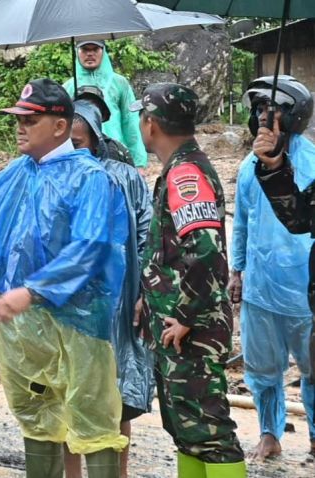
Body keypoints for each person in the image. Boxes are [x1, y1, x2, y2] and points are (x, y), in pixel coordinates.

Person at [0, 78, 130, 478]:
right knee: (35, 412)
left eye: (30, 120)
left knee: (92, 416)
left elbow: (91, 247)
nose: (20, 127)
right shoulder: (13, 176)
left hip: (79, 322)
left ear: (59, 126)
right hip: (22, 325)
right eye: (17, 119)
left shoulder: (90, 178)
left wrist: (32, 291)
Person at [131, 83, 246, 477]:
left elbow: (205, 251)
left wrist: (184, 315)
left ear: (151, 123)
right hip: (178, 327)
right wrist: (149, 297)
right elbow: (173, 252)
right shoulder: (179, 167)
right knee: (188, 430)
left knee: (211, 433)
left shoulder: (186, 173)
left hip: (193, 329)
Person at [67, 99, 153, 478]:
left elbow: (147, 233)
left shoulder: (123, 176)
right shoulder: (51, 176)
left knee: (116, 392)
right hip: (67, 303)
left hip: (115, 300)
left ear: (96, 140)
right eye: (67, 142)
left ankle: (118, 473)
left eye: (80, 142)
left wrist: (143, 292)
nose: (74, 150)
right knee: (67, 392)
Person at [248, 75, 315, 458]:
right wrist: (272, 162)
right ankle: (270, 433)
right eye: (259, 110)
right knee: (264, 369)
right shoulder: (250, 167)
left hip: (300, 291)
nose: (262, 117)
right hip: (267, 288)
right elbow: (298, 217)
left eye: (271, 111)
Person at [63, 41, 147, 167]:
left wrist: (138, 162)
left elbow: (131, 122)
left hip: (116, 155)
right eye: (85, 49)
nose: (90, 54)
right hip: (80, 158)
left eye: (95, 49)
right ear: (77, 52)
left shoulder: (119, 83)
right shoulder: (68, 87)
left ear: (103, 51)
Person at [75, 85, 135, 167]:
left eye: (94, 108)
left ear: (102, 115)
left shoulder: (117, 149)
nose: (88, 112)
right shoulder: (63, 146)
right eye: (82, 106)